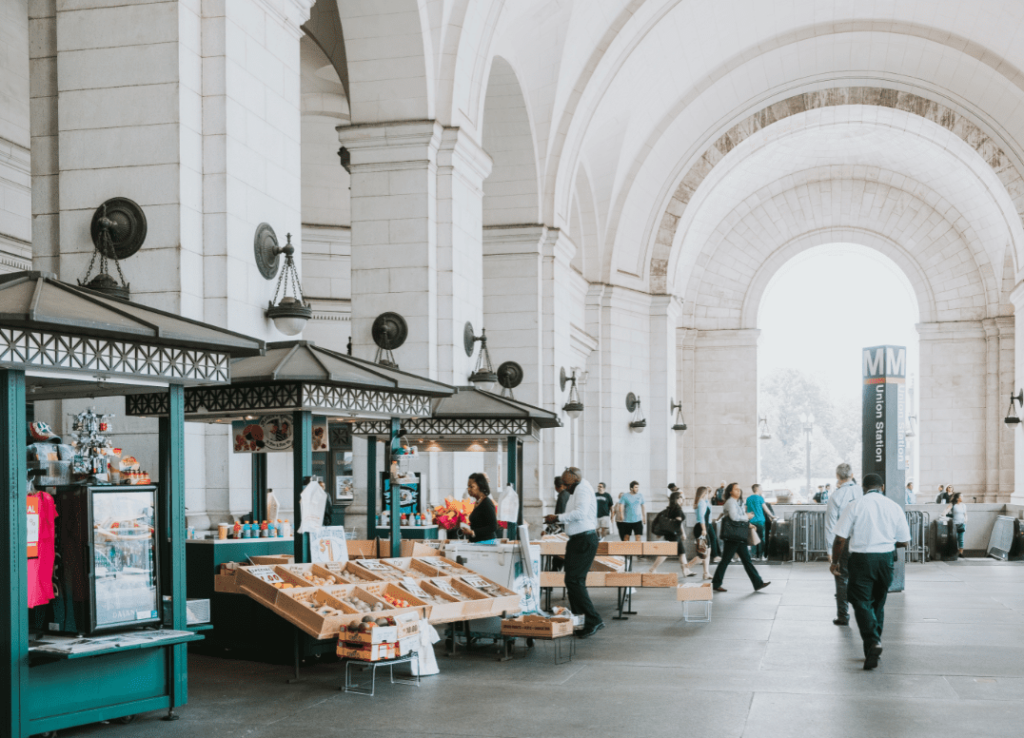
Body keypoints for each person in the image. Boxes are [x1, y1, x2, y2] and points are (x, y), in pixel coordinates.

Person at [830, 473, 911, 670]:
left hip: (861, 559)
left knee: (859, 601)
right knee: (878, 603)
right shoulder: (894, 507)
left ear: (863, 488)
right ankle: (873, 649)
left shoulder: (856, 504)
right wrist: (886, 539)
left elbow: (840, 538)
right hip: (886, 560)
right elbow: (904, 541)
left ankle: (873, 641)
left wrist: (835, 562)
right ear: (882, 487)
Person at [544, 467, 603, 638]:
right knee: (572, 581)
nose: (565, 487)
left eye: (567, 484)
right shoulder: (577, 489)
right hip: (577, 540)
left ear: (576, 480)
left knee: (574, 581)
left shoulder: (583, 489)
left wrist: (557, 517)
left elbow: (580, 514)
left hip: (584, 540)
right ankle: (581, 621)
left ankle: (592, 620)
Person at [711, 483, 770, 593]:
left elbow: (740, 518)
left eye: (739, 489)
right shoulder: (730, 502)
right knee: (726, 561)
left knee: (746, 561)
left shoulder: (739, 502)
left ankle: (758, 583)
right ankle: (716, 583)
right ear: (730, 491)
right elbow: (734, 517)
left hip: (739, 536)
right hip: (733, 537)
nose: (739, 491)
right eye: (736, 489)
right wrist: (747, 517)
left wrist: (748, 524)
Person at [826, 463, 863, 626]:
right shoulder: (862, 492)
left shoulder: (836, 496)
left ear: (837, 476)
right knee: (862, 578)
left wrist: (829, 551)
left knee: (841, 577)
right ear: (852, 474)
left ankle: (843, 615)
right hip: (862, 540)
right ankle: (863, 613)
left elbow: (831, 525)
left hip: (844, 541)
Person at [650, 491, 694, 576]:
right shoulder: (677, 509)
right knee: (666, 552)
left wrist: (663, 533)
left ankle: (686, 571)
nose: (682, 499)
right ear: (677, 499)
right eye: (681, 498)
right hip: (674, 535)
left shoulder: (670, 509)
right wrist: (682, 533)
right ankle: (653, 568)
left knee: (682, 552)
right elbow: (677, 524)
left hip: (672, 534)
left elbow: (674, 523)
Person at [460, 473, 498, 543]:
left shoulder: (487, 503)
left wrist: (472, 532)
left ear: (480, 486)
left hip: (486, 543)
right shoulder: (477, 502)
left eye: (471, 487)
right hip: (478, 542)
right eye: (468, 487)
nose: (468, 489)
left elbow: (493, 526)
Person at [685, 487, 712, 579]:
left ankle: (706, 573)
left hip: (702, 527)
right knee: (702, 554)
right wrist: (704, 529)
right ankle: (686, 567)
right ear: (704, 493)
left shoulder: (701, 502)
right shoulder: (702, 503)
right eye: (707, 493)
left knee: (707, 551)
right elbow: (701, 517)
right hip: (701, 528)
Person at [745, 484, 771, 560]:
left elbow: (745, 510)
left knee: (753, 538)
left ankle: (753, 555)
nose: (762, 490)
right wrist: (772, 516)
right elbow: (766, 509)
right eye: (761, 489)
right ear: (757, 489)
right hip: (760, 521)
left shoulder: (748, 498)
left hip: (751, 521)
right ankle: (761, 556)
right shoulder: (760, 498)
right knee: (761, 538)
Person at [947, 492, 968, 558]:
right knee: (954, 539)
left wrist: (965, 520)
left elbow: (965, 514)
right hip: (954, 524)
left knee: (961, 539)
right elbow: (945, 512)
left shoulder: (964, 505)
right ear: (957, 498)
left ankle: (960, 553)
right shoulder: (952, 505)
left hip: (962, 524)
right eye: (961, 496)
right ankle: (954, 552)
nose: (962, 498)